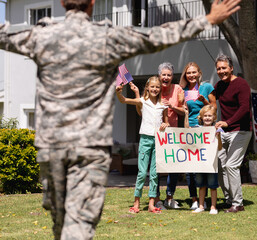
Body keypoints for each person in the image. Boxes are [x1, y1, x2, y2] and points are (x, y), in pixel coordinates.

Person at [0, 0, 241, 238]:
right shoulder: (107, 36)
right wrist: (207, 19)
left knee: (61, 220)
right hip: (89, 149)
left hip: (52, 147)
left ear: (62, 3)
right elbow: (157, 36)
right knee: (80, 224)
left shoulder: (42, 35)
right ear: (92, 3)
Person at [116, 77, 169, 214]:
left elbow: (166, 121)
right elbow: (123, 100)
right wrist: (118, 93)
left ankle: (152, 203)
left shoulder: (163, 104)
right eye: (152, 87)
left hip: (158, 140)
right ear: (147, 87)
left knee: (154, 174)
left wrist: (165, 124)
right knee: (141, 173)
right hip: (145, 139)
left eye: (157, 87)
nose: (155, 89)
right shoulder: (142, 101)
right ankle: (136, 203)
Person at [214, 54, 252, 213]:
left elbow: (244, 108)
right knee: (220, 165)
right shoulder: (219, 85)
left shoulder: (241, 84)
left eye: (224, 68)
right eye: (218, 69)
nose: (221, 71)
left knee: (231, 165)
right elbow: (210, 99)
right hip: (224, 132)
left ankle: (238, 203)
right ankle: (229, 199)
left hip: (241, 131)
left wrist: (228, 122)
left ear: (231, 68)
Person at [179, 62, 217, 209]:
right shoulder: (183, 90)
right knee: (190, 167)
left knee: (205, 163)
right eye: (188, 73)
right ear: (185, 75)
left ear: (199, 73)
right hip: (190, 129)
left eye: (194, 72)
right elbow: (182, 108)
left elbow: (214, 108)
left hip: (205, 129)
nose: (191, 75)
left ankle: (206, 200)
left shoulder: (206, 87)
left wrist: (204, 101)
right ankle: (195, 199)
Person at [155, 62, 185, 209]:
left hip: (173, 134)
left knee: (173, 168)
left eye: (169, 75)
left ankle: (170, 197)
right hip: (157, 134)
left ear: (172, 77)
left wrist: (172, 106)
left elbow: (183, 111)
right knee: (156, 168)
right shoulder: (154, 88)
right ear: (159, 76)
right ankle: (156, 199)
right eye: (163, 74)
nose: (166, 77)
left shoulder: (178, 89)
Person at [191, 105, 222, 215]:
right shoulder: (197, 129)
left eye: (210, 116)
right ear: (201, 117)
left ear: (214, 117)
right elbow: (186, 133)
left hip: (211, 163)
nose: (207, 118)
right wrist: (186, 115)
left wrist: (218, 136)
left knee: (213, 185)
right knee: (201, 185)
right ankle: (201, 206)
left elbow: (219, 147)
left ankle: (213, 207)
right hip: (199, 162)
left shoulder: (216, 130)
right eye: (205, 116)